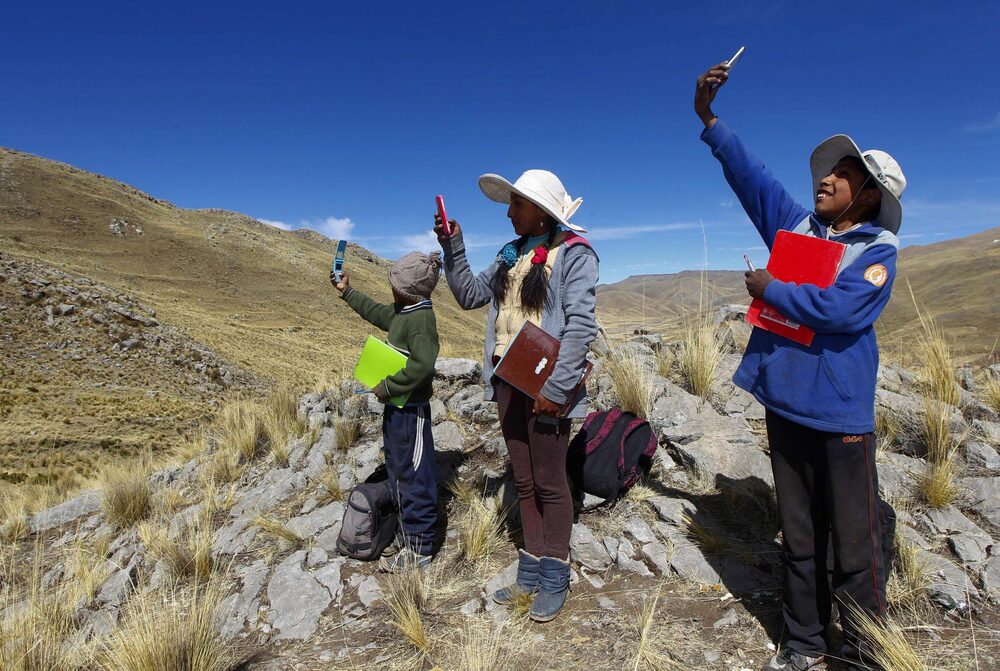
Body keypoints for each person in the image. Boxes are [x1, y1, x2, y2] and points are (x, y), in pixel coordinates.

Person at [694, 62, 906, 671]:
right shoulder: (799, 230)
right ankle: (806, 643)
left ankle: (866, 651)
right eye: (828, 171)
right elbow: (752, 180)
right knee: (799, 535)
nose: (827, 179)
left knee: (855, 541)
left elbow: (841, 310)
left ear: (869, 195)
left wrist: (770, 289)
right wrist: (710, 120)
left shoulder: (877, 254)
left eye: (844, 174)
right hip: (786, 404)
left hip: (839, 415)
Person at [435, 170, 598, 622]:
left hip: (547, 383)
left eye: (517, 205)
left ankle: (555, 574)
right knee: (524, 480)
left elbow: (581, 326)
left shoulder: (575, 255)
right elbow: (468, 294)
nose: (509, 213)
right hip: (509, 379)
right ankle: (530, 570)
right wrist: (454, 246)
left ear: (542, 211)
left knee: (549, 480)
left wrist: (558, 387)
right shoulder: (510, 257)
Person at [330, 251, 443, 572]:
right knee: (397, 468)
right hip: (397, 410)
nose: (390, 289)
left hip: (411, 411)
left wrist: (388, 386)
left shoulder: (420, 320)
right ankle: (405, 532)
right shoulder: (406, 311)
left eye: (394, 284)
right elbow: (378, 313)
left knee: (415, 475)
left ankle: (420, 546)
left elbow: (423, 367)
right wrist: (347, 293)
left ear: (407, 289)